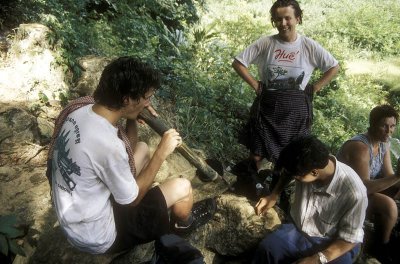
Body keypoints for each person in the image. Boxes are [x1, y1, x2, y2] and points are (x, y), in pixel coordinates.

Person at [46, 56, 216, 254]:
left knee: (142, 148)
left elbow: (125, 152)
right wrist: (161, 153)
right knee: (183, 186)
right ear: (127, 99)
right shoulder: (108, 145)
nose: (148, 103)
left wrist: (133, 117)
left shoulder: (80, 110)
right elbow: (132, 200)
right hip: (99, 235)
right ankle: (184, 225)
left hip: (76, 216)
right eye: (147, 97)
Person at [232, 0, 339, 174]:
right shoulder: (266, 43)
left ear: (297, 18)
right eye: (278, 19)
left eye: (287, 18)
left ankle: (278, 191)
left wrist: (315, 87)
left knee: (293, 156)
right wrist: (255, 84)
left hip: (296, 110)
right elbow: (238, 63)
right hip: (268, 107)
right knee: (257, 155)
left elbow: (334, 66)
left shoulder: (308, 46)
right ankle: (252, 185)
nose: (283, 24)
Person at [253, 135, 367, 264]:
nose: (295, 179)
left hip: (333, 243)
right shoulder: (305, 162)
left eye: (297, 177)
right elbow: (288, 172)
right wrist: (274, 195)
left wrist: (318, 259)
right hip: (298, 230)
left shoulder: (354, 193)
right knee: (267, 249)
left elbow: (350, 238)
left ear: (314, 172)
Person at [337, 104, 400, 257]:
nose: (389, 131)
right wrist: (398, 177)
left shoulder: (384, 143)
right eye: (384, 126)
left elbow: (388, 175)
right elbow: (363, 187)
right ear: (372, 125)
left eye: (392, 126)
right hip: (345, 193)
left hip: (364, 189)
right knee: (389, 206)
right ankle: (381, 248)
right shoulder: (360, 147)